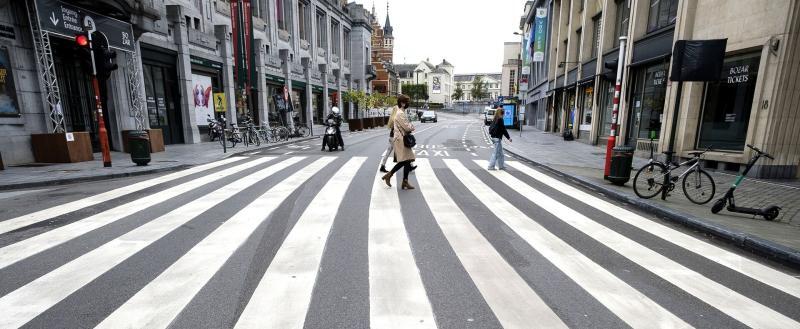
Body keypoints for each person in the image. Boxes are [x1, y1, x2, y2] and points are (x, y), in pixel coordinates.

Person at [381, 94, 416, 190]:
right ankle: (390, 175)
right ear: (402, 103)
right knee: (405, 160)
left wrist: (410, 126)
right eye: (407, 101)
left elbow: (406, 125)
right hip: (401, 140)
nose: (408, 103)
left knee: (407, 160)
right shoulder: (400, 113)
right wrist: (411, 127)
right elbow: (407, 127)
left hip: (401, 138)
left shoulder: (401, 112)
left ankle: (404, 181)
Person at [488, 106, 512, 170]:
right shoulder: (500, 119)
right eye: (503, 113)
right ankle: (490, 166)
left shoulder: (495, 119)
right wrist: (508, 138)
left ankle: (501, 166)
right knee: (495, 153)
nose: (504, 115)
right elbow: (503, 129)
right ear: (501, 113)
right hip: (497, 138)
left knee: (500, 153)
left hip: (494, 138)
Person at [379, 105, 400, 173]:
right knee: (403, 151)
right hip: (394, 137)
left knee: (388, 152)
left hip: (391, 137)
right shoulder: (396, 118)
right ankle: (409, 165)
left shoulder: (391, 118)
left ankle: (382, 166)